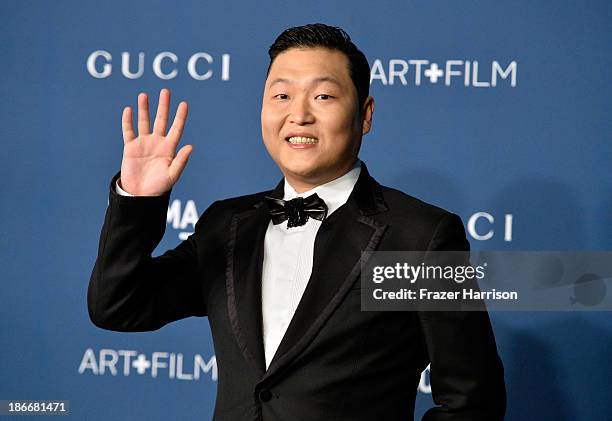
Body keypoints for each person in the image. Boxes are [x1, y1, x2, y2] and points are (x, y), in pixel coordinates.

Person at [88, 23, 506, 421]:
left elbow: (472, 400)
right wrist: (137, 201)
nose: (299, 115)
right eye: (281, 96)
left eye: (323, 96)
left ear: (365, 115)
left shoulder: (418, 237)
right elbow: (119, 307)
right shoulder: (228, 225)